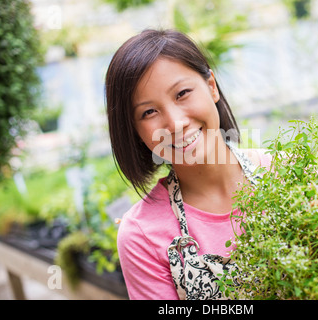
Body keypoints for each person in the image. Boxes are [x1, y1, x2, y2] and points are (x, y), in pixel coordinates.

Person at [105, 29, 272, 300]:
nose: (175, 123)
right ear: (134, 130)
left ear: (211, 87)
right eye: (149, 112)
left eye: (182, 93)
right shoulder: (141, 236)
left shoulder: (285, 171)